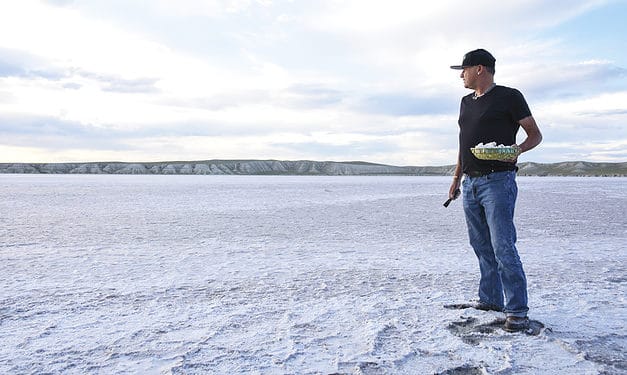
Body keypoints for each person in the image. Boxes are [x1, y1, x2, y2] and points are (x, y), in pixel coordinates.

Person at [448, 49, 543, 332]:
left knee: (503, 246)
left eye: (463, 70)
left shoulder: (510, 97)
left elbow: (534, 135)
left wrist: (517, 150)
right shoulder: (465, 102)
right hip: (471, 182)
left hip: (498, 181)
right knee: (481, 245)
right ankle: (490, 299)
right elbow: (464, 142)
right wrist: (456, 178)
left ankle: (517, 311)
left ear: (480, 69)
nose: (461, 76)